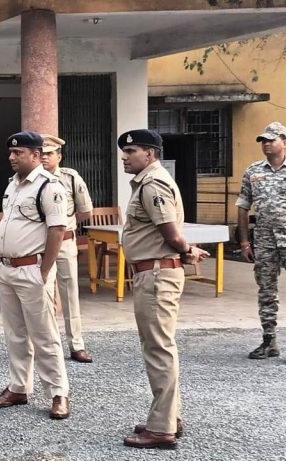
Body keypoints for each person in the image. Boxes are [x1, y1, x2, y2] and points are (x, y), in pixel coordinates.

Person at [118, 129, 208, 449]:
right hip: (154, 272)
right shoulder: (149, 181)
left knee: (159, 350)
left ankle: (161, 429)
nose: (125, 157)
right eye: (124, 151)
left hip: (156, 274)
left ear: (150, 154)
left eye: (131, 151)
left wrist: (187, 249)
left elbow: (170, 232)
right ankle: (169, 417)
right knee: (159, 347)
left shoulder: (153, 183)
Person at [0, 131, 71, 420]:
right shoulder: (13, 185)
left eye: (18, 153)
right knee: (15, 334)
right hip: (8, 269)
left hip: (31, 269)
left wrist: (44, 270)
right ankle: (18, 387)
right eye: (11, 152)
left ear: (36, 155)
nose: (11, 157)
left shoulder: (49, 186)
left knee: (44, 334)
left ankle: (58, 393)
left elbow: (57, 229)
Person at [236, 122, 286, 365]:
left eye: (272, 139)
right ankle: (269, 341)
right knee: (266, 291)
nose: (266, 144)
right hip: (264, 242)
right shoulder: (253, 171)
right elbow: (243, 205)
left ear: (284, 142)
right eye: (263, 140)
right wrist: (244, 242)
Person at [38, 134, 95, 363]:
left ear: (59, 157)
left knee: (70, 293)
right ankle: (48, 345)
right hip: (40, 244)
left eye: (49, 154)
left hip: (65, 243)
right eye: (41, 154)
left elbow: (85, 211)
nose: (44, 157)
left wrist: (64, 226)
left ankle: (76, 344)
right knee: (43, 294)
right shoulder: (32, 180)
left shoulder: (71, 178)